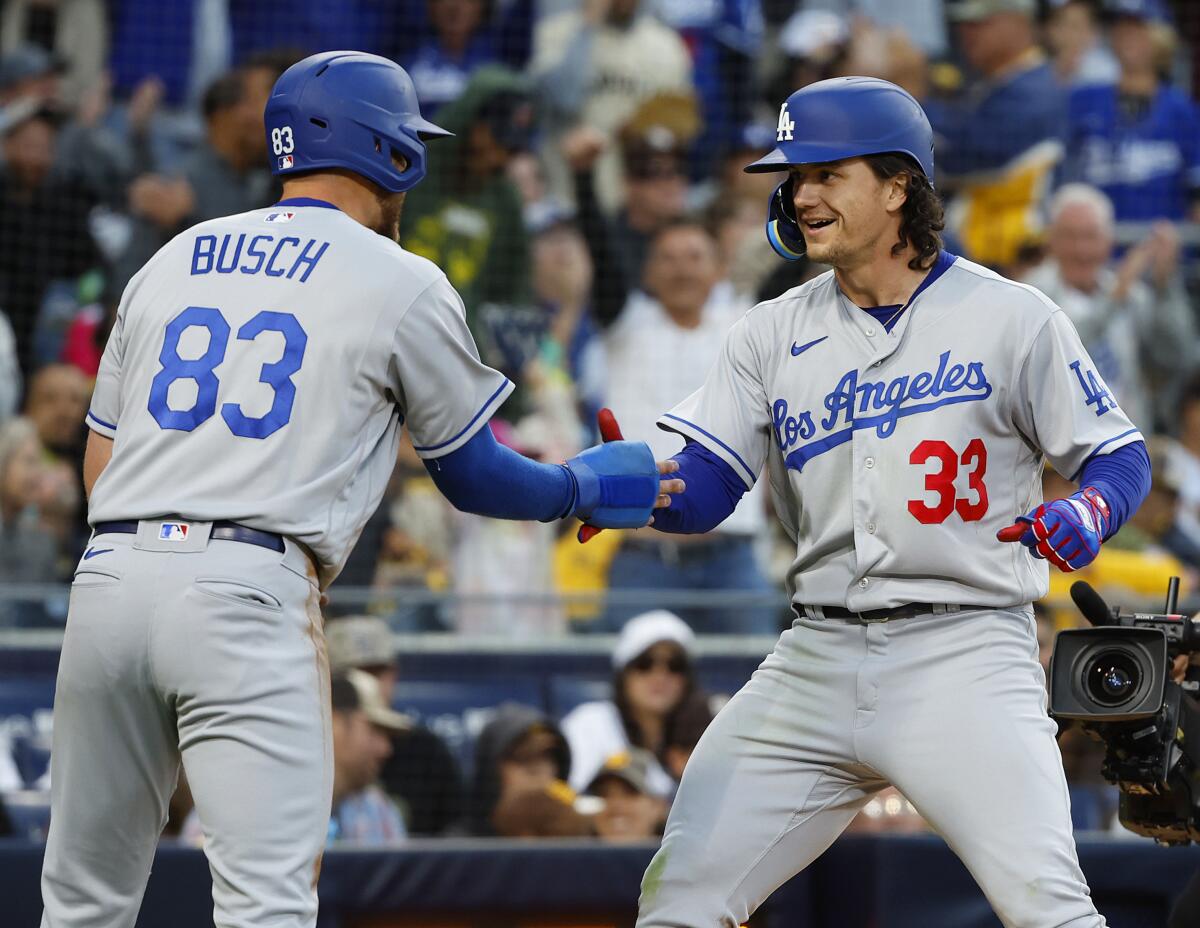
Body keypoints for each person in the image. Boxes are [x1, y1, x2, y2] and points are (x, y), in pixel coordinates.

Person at [38, 51, 670, 928]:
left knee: (81, 901)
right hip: (246, 588)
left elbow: (99, 460)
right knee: (266, 907)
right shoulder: (399, 277)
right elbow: (474, 472)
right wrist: (580, 487)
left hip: (107, 583)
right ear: (392, 154)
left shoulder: (174, 258)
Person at [632, 76, 1151, 928]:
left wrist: (1087, 513)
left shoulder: (1010, 317)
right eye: (793, 178)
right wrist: (630, 490)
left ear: (899, 184)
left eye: (825, 173)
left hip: (966, 653)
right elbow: (709, 490)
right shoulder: (768, 331)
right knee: (680, 894)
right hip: (816, 656)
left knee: (1050, 910)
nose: (800, 194)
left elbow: (1118, 455)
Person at [601, 222, 773, 634]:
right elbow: (602, 257)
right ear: (647, 273)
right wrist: (586, 179)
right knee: (627, 686)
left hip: (733, 558)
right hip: (644, 555)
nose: (682, 270)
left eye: (695, 257)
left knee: (754, 685)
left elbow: (785, 275)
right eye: (668, 258)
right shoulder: (624, 328)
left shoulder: (747, 328)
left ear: (719, 269)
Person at [1022, 183, 1195, 431]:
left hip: (1126, 443)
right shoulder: (1030, 292)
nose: (1081, 249)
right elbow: (1057, 354)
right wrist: (1114, 299)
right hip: (1056, 449)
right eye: (1070, 236)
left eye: (1090, 236)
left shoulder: (1131, 294)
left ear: (1108, 241)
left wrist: (1166, 288)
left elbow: (1175, 358)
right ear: (1051, 240)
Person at [921, 0, 1066, 269]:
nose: (966, 32)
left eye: (979, 23)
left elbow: (958, 156)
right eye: (963, 24)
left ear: (1019, 22)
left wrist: (908, 95)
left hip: (1015, 265)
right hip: (983, 257)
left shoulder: (1033, 91)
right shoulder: (991, 84)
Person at [326, 614, 465, 835]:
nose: (368, 683)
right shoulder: (308, 754)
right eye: (354, 673)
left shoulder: (425, 750)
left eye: (377, 672)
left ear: (393, 675)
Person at [1063, 0, 1200, 223]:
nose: (1127, 36)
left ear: (1161, 37)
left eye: (1137, 28)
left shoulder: (1184, 111)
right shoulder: (1082, 100)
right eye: (1121, 28)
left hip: (1163, 250)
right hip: (1092, 249)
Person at [562, 610, 696, 797]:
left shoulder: (704, 732)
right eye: (644, 664)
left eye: (675, 665)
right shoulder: (591, 723)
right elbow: (575, 799)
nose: (660, 676)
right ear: (623, 675)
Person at [465, 703, 577, 837]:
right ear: (490, 772)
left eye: (547, 757)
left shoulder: (581, 838)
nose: (537, 770)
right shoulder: (456, 850)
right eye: (522, 758)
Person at [587, 748, 667, 841]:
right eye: (604, 795)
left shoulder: (681, 855)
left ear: (658, 805)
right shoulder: (572, 854)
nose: (616, 805)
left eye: (629, 794)